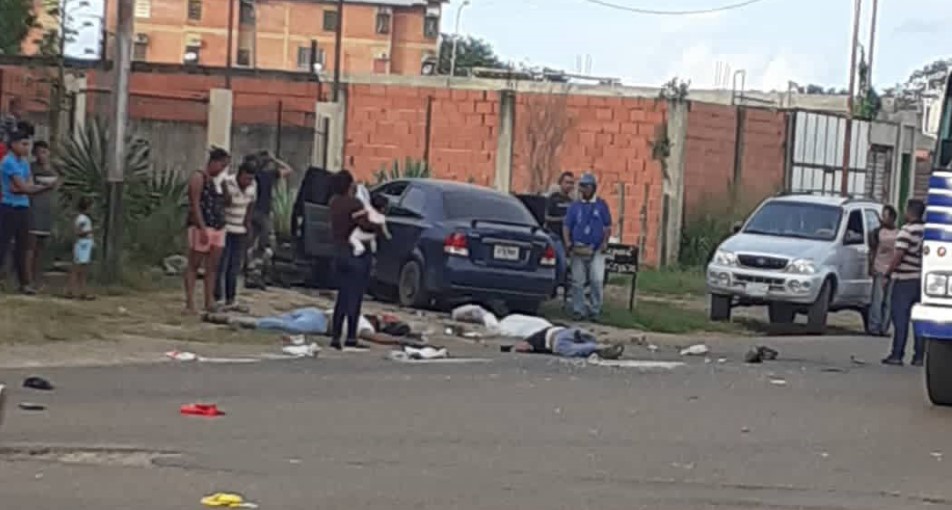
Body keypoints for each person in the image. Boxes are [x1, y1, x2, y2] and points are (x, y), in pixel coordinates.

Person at [328, 170, 380, 350]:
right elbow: (366, 224)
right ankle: (350, 336)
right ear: (349, 185)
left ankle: (336, 335)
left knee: (342, 297)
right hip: (355, 255)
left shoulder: (334, 203)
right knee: (355, 297)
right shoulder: (354, 203)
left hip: (339, 252)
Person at [0, 130, 55, 294]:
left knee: (23, 246)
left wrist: (27, 188)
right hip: (9, 206)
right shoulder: (8, 162)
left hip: (23, 206)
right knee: (3, 244)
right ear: (14, 144)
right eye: (23, 144)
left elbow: (26, 185)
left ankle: (24, 283)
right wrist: (43, 187)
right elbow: (23, 187)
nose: (27, 148)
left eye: (28, 144)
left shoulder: (24, 163)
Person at [184, 147, 230, 313]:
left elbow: (227, 202)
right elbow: (195, 204)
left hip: (218, 225)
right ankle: (190, 302)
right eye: (222, 165)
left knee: (212, 266)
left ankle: (209, 300)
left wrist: (224, 186)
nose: (223, 170)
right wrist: (201, 227)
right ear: (214, 162)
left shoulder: (218, 182)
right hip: (202, 225)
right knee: (194, 264)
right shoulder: (199, 177)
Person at [882, 199, 926, 367]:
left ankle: (897, 354)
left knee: (900, 318)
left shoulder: (906, 231)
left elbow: (899, 255)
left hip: (904, 280)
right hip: (920, 279)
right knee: (918, 320)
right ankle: (919, 355)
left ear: (909, 212)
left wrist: (888, 273)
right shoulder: (925, 231)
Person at [563, 173, 612, 321]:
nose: (583, 189)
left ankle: (595, 309)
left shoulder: (601, 205)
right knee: (578, 281)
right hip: (578, 248)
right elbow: (566, 226)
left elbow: (607, 226)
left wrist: (604, 242)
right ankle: (579, 310)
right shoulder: (575, 206)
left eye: (586, 186)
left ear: (593, 188)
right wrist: (567, 243)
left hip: (596, 249)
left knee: (596, 280)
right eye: (581, 186)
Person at [246, 151, 294, 288]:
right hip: (263, 213)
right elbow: (289, 170)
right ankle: (258, 272)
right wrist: (276, 159)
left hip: (251, 211)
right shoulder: (269, 175)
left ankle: (250, 270)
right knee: (266, 244)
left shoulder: (254, 176)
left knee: (249, 242)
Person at [215, 160, 256, 310]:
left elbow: (250, 207)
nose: (248, 182)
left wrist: (248, 229)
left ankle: (231, 298)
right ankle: (218, 296)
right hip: (226, 229)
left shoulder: (252, 186)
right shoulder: (228, 182)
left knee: (235, 266)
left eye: (251, 179)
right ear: (239, 175)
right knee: (222, 264)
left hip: (240, 231)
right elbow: (223, 204)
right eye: (246, 178)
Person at [27, 141, 58, 286]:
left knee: (42, 246)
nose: (43, 155)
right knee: (31, 245)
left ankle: (38, 277)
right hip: (34, 208)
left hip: (48, 210)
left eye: (45, 152)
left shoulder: (53, 169)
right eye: (40, 152)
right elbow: (29, 187)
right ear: (35, 154)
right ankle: (28, 278)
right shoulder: (31, 168)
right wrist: (45, 187)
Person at [867, 205, 898, 336]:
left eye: (885, 216)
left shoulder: (899, 233)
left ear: (892, 218)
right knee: (877, 300)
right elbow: (872, 250)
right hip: (879, 268)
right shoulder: (876, 232)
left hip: (893, 271)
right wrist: (871, 266)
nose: (882, 218)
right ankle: (874, 326)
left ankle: (884, 327)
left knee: (889, 301)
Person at [514, 326, 624, 359]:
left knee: (569, 349)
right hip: (567, 331)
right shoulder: (543, 330)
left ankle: (599, 348)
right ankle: (603, 347)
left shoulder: (532, 340)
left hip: (557, 340)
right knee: (582, 345)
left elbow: (520, 346)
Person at [350, 185, 389, 256]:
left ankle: (359, 248)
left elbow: (361, 212)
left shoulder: (369, 209)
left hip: (363, 230)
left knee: (353, 238)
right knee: (372, 239)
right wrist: (388, 236)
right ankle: (374, 253)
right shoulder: (382, 217)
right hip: (372, 233)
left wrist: (354, 215)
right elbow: (385, 230)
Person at [67, 196, 94, 299]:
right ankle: (71, 291)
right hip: (82, 244)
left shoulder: (84, 218)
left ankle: (82, 291)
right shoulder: (82, 219)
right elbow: (78, 231)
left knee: (83, 269)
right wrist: (89, 232)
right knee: (77, 268)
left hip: (85, 244)